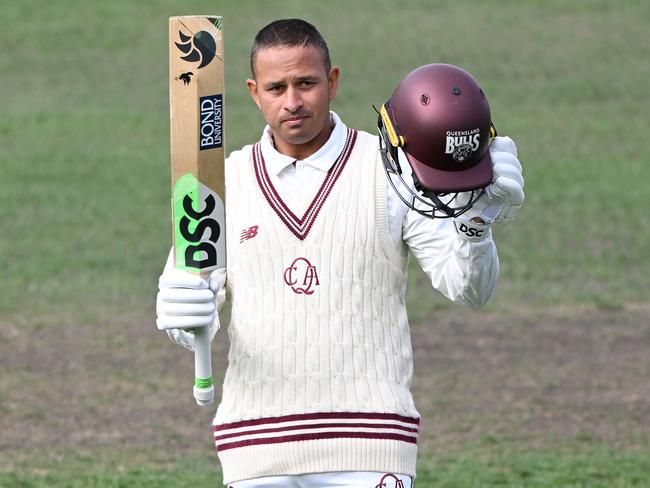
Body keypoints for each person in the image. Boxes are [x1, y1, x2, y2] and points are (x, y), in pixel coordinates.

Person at [156, 18, 524, 488]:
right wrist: (180, 319)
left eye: (306, 83)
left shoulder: (393, 171)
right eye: (276, 87)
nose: (292, 102)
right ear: (253, 91)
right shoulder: (219, 184)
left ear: (332, 82)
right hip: (255, 447)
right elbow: (190, 309)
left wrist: (476, 223)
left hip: (370, 442)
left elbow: (469, 290)